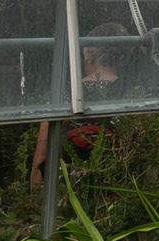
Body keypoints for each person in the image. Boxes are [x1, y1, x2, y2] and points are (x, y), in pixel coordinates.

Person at [31, 22, 131, 187]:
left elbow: (42, 158)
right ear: (120, 59)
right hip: (118, 192)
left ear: (90, 55)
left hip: (69, 196)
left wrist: (34, 198)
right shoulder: (135, 95)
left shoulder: (64, 96)